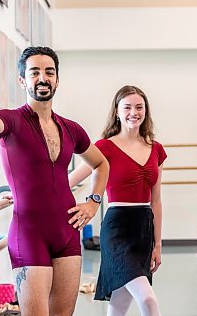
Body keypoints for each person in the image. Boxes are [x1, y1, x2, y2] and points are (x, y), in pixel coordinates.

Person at [0, 46, 109, 316]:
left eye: (49, 72)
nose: (42, 78)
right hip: (29, 234)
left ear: (57, 79)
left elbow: (101, 164)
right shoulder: (14, 120)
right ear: (22, 80)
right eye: (34, 72)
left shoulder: (70, 128)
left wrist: (92, 203)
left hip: (67, 231)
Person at [69, 85, 167, 316]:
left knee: (120, 302)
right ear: (117, 112)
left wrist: (158, 244)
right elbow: (69, 180)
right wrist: (25, 193)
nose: (134, 112)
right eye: (128, 107)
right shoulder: (104, 147)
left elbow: (157, 201)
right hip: (117, 229)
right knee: (148, 299)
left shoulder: (156, 150)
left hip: (143, 229)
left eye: (139, 107)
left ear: (146, 111)